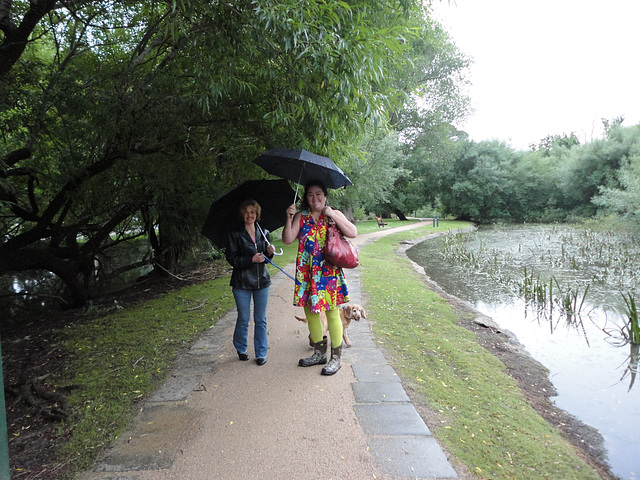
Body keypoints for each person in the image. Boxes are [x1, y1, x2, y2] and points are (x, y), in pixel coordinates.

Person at [282, 180, 357, 375]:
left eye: (318, 194)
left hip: (328, 272)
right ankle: (319, 354)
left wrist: (332, 215)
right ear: (306, 198)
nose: (314, 198)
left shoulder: (333, 214)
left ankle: (335, 358)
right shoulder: (301, 216)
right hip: (307, 272)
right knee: (311, 313)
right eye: (310, 195)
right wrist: (289, 218)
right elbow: (288, 239)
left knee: (332, 312)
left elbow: (353, 232)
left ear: (324, 195)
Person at [226, 199, 276, 365]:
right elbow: (232, 259)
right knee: (244, 317)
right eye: (246, 212)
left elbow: (266, 259)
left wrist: (270, 253)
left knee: (260, 319)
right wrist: (250, 259)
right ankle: (241, 347)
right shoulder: (235, 234)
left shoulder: (264, 233)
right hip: (241, 283)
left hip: (262, 281)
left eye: (252, 212)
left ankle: (261, 353)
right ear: (242, 214)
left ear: (257, 214)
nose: (249, 215)